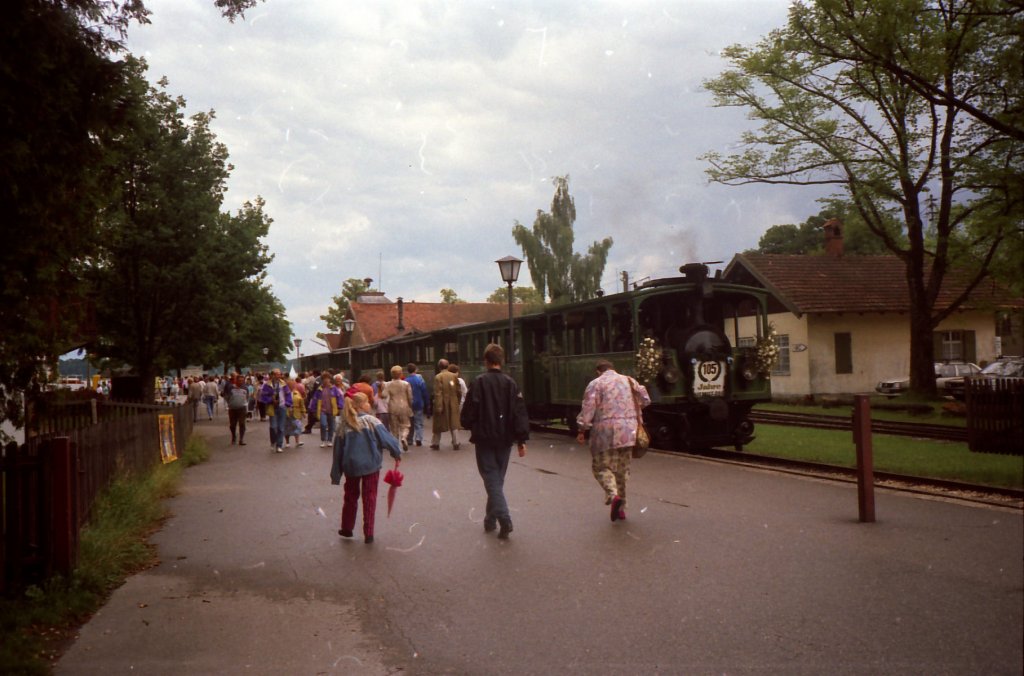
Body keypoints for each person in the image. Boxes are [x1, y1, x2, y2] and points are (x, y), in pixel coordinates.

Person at [460, 344, 529, 540]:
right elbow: (519, 412)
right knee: (497, 479)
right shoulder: (511, 383)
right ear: (502, 360)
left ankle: (503, 517)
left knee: (491, 477)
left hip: (484, 437)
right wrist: (521, 439)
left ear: (486, 361)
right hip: (505, 438)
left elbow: (469, 411)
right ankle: (490, 519)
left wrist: (468, 423)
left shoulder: (479, 382)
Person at [575, 359, 651, 522]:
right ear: (613, 368)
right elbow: (645, 399)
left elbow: (588, 408)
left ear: (598, 371)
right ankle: (622, 509)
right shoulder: (629, 381)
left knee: (601, 467)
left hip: (605, 433)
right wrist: (629, 410)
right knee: (622, 471)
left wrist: (582, 429)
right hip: (628, 431)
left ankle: (613, 495)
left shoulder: (596, 384)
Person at [329, 392, 403, 544]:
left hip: (351, 467)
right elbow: (387, 439)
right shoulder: (371, 421)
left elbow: (337, 451)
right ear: (361, 405)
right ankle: (368, 533)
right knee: (370, 498)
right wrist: (396, 452)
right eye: (368, 402)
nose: (370, 404)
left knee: (350, 497)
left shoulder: (343, 424)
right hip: (370, 465)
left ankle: (347, 528)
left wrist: (336, 474)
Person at [259, 369, 293, 453]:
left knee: (281, 427)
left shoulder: (283, 384)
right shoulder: (267, 384)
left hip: (282, 407)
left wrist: (288, 403)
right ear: (272, 375)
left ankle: (279, 445)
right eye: (276, 374)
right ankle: (273, 441)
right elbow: (263, 397)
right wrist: (271, 400)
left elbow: (288, 394)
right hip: (272, 407)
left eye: (279, 374)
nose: (278, 376)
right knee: (273, 427)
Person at [430, 358, 461, 450]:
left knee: (438, 424)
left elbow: (438, 393)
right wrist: (457, 401)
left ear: (439, 366)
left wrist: (438, 407)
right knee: (454, 422)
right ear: (447, 366)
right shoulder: (454, 376)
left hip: (442, 402)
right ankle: (456, 442)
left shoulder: (438, 377)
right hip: (453, 402)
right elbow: (458, 390)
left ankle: (435, 443)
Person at [381, 365, 412, 450]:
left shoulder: (388, 384)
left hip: (393, 407)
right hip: (404, 406)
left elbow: (383, 395)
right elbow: (410, 397)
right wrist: (410, 406)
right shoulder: (406, 384)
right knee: (406, 425)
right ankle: (404, 437)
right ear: (401, 373)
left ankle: (395, 446)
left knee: (394, 428)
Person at [308, 372, 343, 448]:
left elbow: (339, 397)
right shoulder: (319, 390)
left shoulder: (334, 389)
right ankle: (323, 440)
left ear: (330, 380)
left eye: (327, 379)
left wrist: (340, 406)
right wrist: (313, 408)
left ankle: (330, 440)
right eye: (324, 379)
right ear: (322, 380)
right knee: (323, 424)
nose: (326, 380)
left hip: (332, 410)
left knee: (331, 425)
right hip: (322, 410)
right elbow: (314, 399)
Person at [405, 363, 429, 447]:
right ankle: (418, 438)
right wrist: (427, 403)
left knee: (409, 423)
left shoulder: (405, 381)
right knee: (419, 422)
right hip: (418, 403)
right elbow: (424, 392)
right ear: (416, 370)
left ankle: (409, 439)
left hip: (408, 404)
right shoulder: (420, 380)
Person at [224, 374, 249, 445]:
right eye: (239, 380)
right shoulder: (231, 388)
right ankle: (233, 437)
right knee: (232, 424)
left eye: (242, 380)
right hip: (232, 408)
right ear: (236, 380)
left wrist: (245, 404)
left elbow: (247, 397)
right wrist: (230, 403)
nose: (241, 382)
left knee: (242, 423)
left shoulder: (245, 388)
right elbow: (227, 396)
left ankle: (241, 439)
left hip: (242, 408)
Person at [284, 378, 305, 448]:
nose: (292, 386)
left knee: (297, 426)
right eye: (291, 385)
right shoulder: (284, 393)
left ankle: (297, 441)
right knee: (287, 427)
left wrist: (303, 411)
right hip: (286, 412)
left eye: (293, 384)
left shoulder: (297, 393)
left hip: (296, 412)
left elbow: (301, 403)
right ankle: (287, 442)